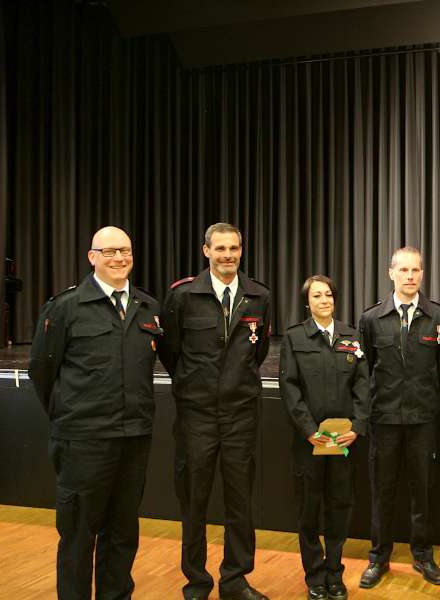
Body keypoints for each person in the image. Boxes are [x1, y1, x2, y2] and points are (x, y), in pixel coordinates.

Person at [29, 226, 161, 600]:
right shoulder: (66, 307)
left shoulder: (147, 307)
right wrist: (70, 417)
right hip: (83, 441)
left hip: (133, 438)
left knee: (123, 534)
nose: (119, 259)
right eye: (109, 252)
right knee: (78, 535)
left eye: (125, 251)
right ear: (92, 257)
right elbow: (42, 370)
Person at [159, 223, 271, 600]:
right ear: (206, 250)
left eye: (234, 248)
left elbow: (259, 352)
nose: (228, 255)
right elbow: (170, 352)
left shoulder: (259, 296)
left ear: (242, 250)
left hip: (241, 414)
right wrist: (196, 386)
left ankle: (236, 580)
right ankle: (196, 581)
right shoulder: (183, 296)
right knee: (194, 500)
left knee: (241, 501)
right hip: (197, 416)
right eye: (220, 248)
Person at [357, 247, 440, 589]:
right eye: (404, 270)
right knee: (382, 491)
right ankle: (378, 558)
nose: (410, 276)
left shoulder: (439, 317)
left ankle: (423, 555)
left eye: (416, 270)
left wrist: (422, 396)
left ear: (422, 274)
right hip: (383, 419)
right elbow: (364, 368)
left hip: (422, 417)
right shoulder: (370, 319)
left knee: (422, 490)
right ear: (390, 273)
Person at [280, 275, 370, 600]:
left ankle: (334, 572)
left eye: (329, 294)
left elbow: (363, 385)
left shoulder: (351, 337)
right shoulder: (294, 338)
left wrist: (357, 427)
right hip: (311, 443)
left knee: (339, 507)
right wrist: (309, 431)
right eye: (317, 296)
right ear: (307, 302)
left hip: (343, 440)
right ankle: (314, 576)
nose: (324, 300)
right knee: (309, 511)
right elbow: (289, 388)